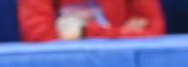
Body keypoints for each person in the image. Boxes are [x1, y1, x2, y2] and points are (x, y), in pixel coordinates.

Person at [18, 0, 165, 41]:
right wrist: (123, 32)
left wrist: (85, 30)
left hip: (118, 65)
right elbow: (39, 36)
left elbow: (153, 31)